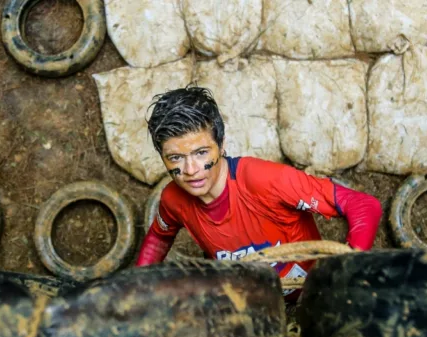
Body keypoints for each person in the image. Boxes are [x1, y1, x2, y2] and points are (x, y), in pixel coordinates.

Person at [135, 85, 382, 301]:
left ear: (221, 145)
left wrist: (345, 272)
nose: (191, 170)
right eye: (176, 158)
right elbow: (159, 237)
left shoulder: (263, 180)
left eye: (201, 153)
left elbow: (364, 205)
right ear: (163, 159)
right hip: (249, 305)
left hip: (309, 297)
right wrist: (138, 289)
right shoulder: (173, 199)